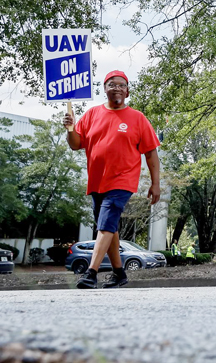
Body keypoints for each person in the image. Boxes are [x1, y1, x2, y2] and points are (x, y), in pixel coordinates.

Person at [63, 70, 161, 289]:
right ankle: (119, 273)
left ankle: (91, 272)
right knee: (109, 226)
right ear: (104, 89)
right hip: (97, 181)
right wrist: (70, 128)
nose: (116, 88)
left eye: (121, 85)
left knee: (106, 223)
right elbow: (75, 144)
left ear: (127, 92)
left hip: (123, 180)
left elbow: (151, 153)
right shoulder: (91, 114)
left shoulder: (137, 118)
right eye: (111, 84)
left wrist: (156, 184)